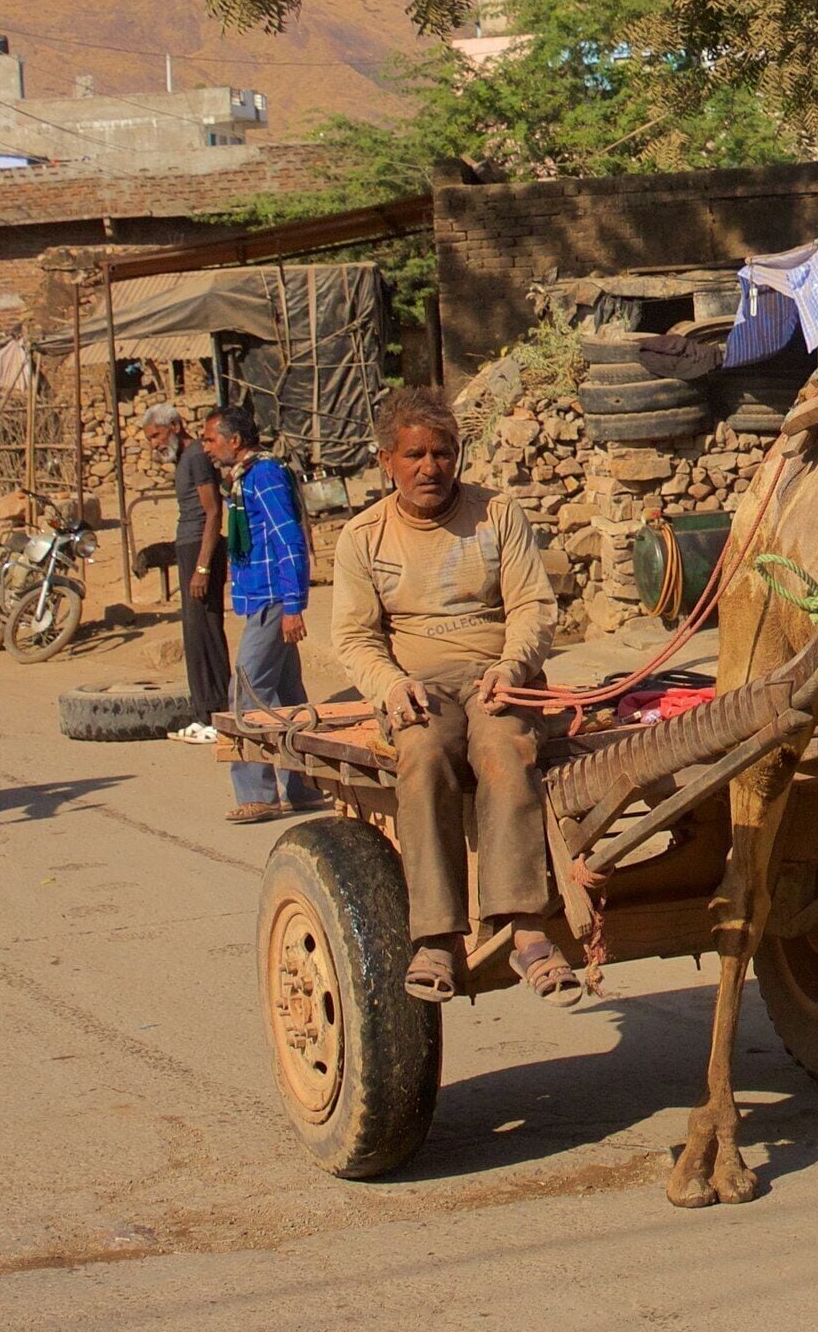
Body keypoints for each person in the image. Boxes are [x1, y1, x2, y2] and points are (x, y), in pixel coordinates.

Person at [330, 384, 571, 1002]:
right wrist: (390, 686)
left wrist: (514, 668)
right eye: (414, 455)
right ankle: (436, 938)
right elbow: (354, 638)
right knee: (424, 755)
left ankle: (525, 931)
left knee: (506, 750)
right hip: (416, 685)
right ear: (387, 461)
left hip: (496, 676)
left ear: (457, 456)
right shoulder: (363, 537)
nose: (430, 467)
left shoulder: (498, 515)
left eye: (442, 453)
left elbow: (533, 609)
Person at [199, 407, 315, 823]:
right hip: (262, 599)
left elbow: (288, 539)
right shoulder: (245, 477)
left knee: (245, 691)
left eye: (211, 439)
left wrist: (293, 605)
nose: (206, 447)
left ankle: (258, 792)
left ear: (234, 441)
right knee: (287, 696)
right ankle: (305, 784)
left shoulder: (263, 476)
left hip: (273, 601)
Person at [149, 404, 230, 742]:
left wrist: (201, 567)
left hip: (200, 548)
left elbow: (213, 513)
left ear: (176, 426)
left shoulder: (197, 456)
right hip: (190, 546)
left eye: (157, 435)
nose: (154, 444)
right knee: (195, 635)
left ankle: (217, 715)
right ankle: (204, 713)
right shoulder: (188, 458)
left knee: (206, 631)